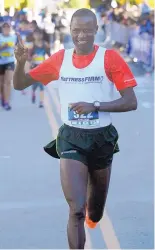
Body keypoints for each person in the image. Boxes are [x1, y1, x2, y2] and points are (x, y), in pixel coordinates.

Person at [13, 8, 137, 249]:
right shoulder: (60, 59)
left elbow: (130, 101)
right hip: (71, 138)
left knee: (95, 212)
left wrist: (96, 106)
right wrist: (20, 63)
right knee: (76, 209)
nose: (81, 36)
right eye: (77, 30)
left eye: (87, 31)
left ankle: (94, 214)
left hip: (101, 138)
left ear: (96, 31)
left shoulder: (109, 59)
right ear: (69, 30)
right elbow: (20, 84)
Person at [28, 28, 51, 108]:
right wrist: (32, 57)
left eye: (39, 34)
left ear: (41, 35)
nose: (37, 36)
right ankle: (33, 93)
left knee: (41, 85)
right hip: (34, 67)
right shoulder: (32, 45)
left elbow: (50, 55)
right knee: (35, 85)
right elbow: (28, 58)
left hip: (42, 67)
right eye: (36, 34)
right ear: (33, 35)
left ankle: (41, 101)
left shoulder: (45, 44)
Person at [0, 22, 17, 110]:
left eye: (8, 27)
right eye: (4, 27)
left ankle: (7, 102)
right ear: (2, 29)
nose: (6, 29)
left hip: (10, 62)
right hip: (0, 62)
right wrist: (3, 47)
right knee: (1, 83)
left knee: (8, 82)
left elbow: (19, 47)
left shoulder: (14, 37)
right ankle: (2, 98)